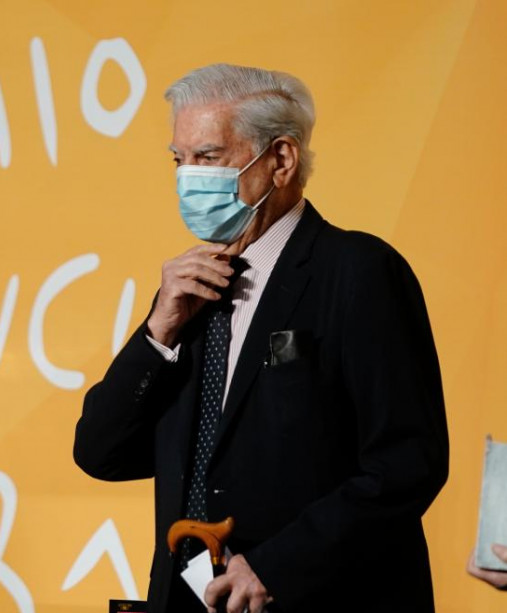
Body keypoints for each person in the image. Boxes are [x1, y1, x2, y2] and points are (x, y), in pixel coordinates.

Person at [73, 64, 449, 613]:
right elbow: (100, 453)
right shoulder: (191, 294)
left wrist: (277, 567)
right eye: (179, 160)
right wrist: (158, 331)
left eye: (208, 157)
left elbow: (407, 464)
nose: (189, 177)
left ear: (281, 160)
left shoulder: (357, 272)